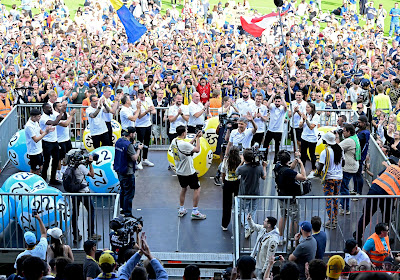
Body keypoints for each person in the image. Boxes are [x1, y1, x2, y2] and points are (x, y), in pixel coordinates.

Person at [354, 157, 400, 246]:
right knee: (386, 219)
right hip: (387, 195)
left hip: (375, 189)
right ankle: (383, 238)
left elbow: (379, 176)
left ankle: (357, 236)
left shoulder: (392, 167)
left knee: (366, 215)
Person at [170, 125, 206, 219]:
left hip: (179, 171)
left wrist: (194, 137)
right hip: (189, 172)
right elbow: (197, 149)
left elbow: (187, 146)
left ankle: (181, 209)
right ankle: (195, 211)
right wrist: (198, 139)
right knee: (197, 188)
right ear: (183, 133)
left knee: (183, 188)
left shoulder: (174, 141)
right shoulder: (184, 144)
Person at [274, 150, 306, 245]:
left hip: (281, 196)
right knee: (295, 218)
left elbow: (290, 168)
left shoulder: (278, 167)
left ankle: (280, 237)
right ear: (288, 159)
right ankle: (292, 239)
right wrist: (301, 163)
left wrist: (296, 161)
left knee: (283, 216)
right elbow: (303, 177)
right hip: (290, 198)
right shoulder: (288, 172)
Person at [69, 152, 101, 242]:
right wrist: (90, 164)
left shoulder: (70, 166)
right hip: (84, 192)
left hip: (74, 192)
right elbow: (92, 174)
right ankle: (91, 234)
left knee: (75, 213)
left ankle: (75, 234)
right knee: (91, 211)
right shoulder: (81, 167)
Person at [236, 149, 267, 238]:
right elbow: (264, 177)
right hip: (255, 193)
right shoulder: (259, 167)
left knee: (240, 210)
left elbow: (236, 172)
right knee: (252, 211)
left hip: (244, 194)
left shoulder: (243, 168)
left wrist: (242, 162)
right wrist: (264, 167)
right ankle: (249, 225)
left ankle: (247, 226)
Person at [317, 132, 344, 229]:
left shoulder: (325, 152)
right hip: (339, 177)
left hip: (329, 178)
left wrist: (317, 172)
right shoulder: (340, 149)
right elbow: (343, 163)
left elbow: (320, 167)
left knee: (329, 199)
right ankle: (335, 218)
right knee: (336, 198)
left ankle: (331, 220)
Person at [114, 127, 143, 217]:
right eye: (134, 134)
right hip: (128, 172)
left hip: (119, 169)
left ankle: (122, 209)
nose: (134, 135)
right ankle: (128, 213)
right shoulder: (128, 145)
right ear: (130, 134)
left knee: (123, 190)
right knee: (129, 193)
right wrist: (138, 149)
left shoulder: (119, 141)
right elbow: (134, 158)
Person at [247, 214, 279, 280]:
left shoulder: (273, 240)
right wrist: (250, 220)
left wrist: (264, 271)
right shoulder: (264, 229)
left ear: (269, 225)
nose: (263, 222)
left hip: (262, 266)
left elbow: (269, 257)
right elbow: (254, 227)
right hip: (257, 262)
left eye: (265, 221)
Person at [39, 102, 65, 184]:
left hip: (54, 141)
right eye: (49, 108)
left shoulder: (52, 114)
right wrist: (61, 113)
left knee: (56, 160)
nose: (51, 109)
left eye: (51, 107)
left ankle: (53, 179)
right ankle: (43, 179)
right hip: (47, 142)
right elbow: (54, 123)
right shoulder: (43, 118)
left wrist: (63, 111)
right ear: (44, 109)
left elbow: (63, 117)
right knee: (46, 161)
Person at [338, 124, 360, 214]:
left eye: (344, 131)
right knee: (344, 186)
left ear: (349, 132)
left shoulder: (350, 140)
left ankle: (345, 208)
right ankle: (343, 204)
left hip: (348, 168)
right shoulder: (355, 137)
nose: (343, 133)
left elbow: (337, 147)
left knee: (344, 188)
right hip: (352, 166)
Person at [24, 109, 54, 175]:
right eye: (39, 116)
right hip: (33, 151)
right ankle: (32, 181)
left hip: (39, 150)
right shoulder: (29, 126)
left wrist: (48, 130)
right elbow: (36, 139)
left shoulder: (35, 122)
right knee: (34, 169)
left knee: (40, 167)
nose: (40, 118)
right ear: (33, 117)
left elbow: (40, 130)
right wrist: (45, 133)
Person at [133, 89, 156, 168]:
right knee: (140, 143)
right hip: (140, 126)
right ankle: (138, 161)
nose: (143, 98)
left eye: (144, 96)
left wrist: (150, 110)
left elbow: (154, 111)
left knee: (146, 143)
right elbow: (139, 116)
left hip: (148, 124)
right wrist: (147, 111)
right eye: (141, 97)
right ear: (138, 95)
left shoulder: (148, 99)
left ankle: (145, 159)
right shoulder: (136, 102)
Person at [221, 146, 241, 230]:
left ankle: (224, 224)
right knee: (238, 202)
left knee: (226, 204)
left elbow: (223, 172)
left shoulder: (226, 161)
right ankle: (239, 221)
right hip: (237, 183)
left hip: (228, 183)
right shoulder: (240, 161)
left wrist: (223, 181)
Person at [264, 92, 288, 163]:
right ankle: (265, 158)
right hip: (270, 130)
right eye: (276, 101)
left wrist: (282, 97)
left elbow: (286, 107)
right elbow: (267, 105)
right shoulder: (272, 106)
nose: (277, 103)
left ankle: (276, 160)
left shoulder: (282, 109)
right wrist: (272, 96)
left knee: (277, 147)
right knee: (266, 145)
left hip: (279, 131)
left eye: (278, 101)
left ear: (280, 102)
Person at [300, 102, 320, 173]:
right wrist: (302, 121)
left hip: (312, 138)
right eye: (306, 107)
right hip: (304, 136)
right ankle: (302, 168)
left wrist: (306, 120)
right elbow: (300, 125)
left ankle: (314, 169)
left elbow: (311, 127)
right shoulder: (304, 114)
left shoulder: (316, 116)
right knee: (303, 153)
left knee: (312, 154)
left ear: (312, 108)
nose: (306, 108)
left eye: (308, 107)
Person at [354, 115, 370, 197]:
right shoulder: (361, 131)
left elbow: (355, 140)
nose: (358, 124)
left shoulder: (364, 133)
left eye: (360, 122)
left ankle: (359, 192)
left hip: (359, 156)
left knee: (358, 174)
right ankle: (355, 189)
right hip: (357, 155)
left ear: (364, 123)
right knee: (355, 173)